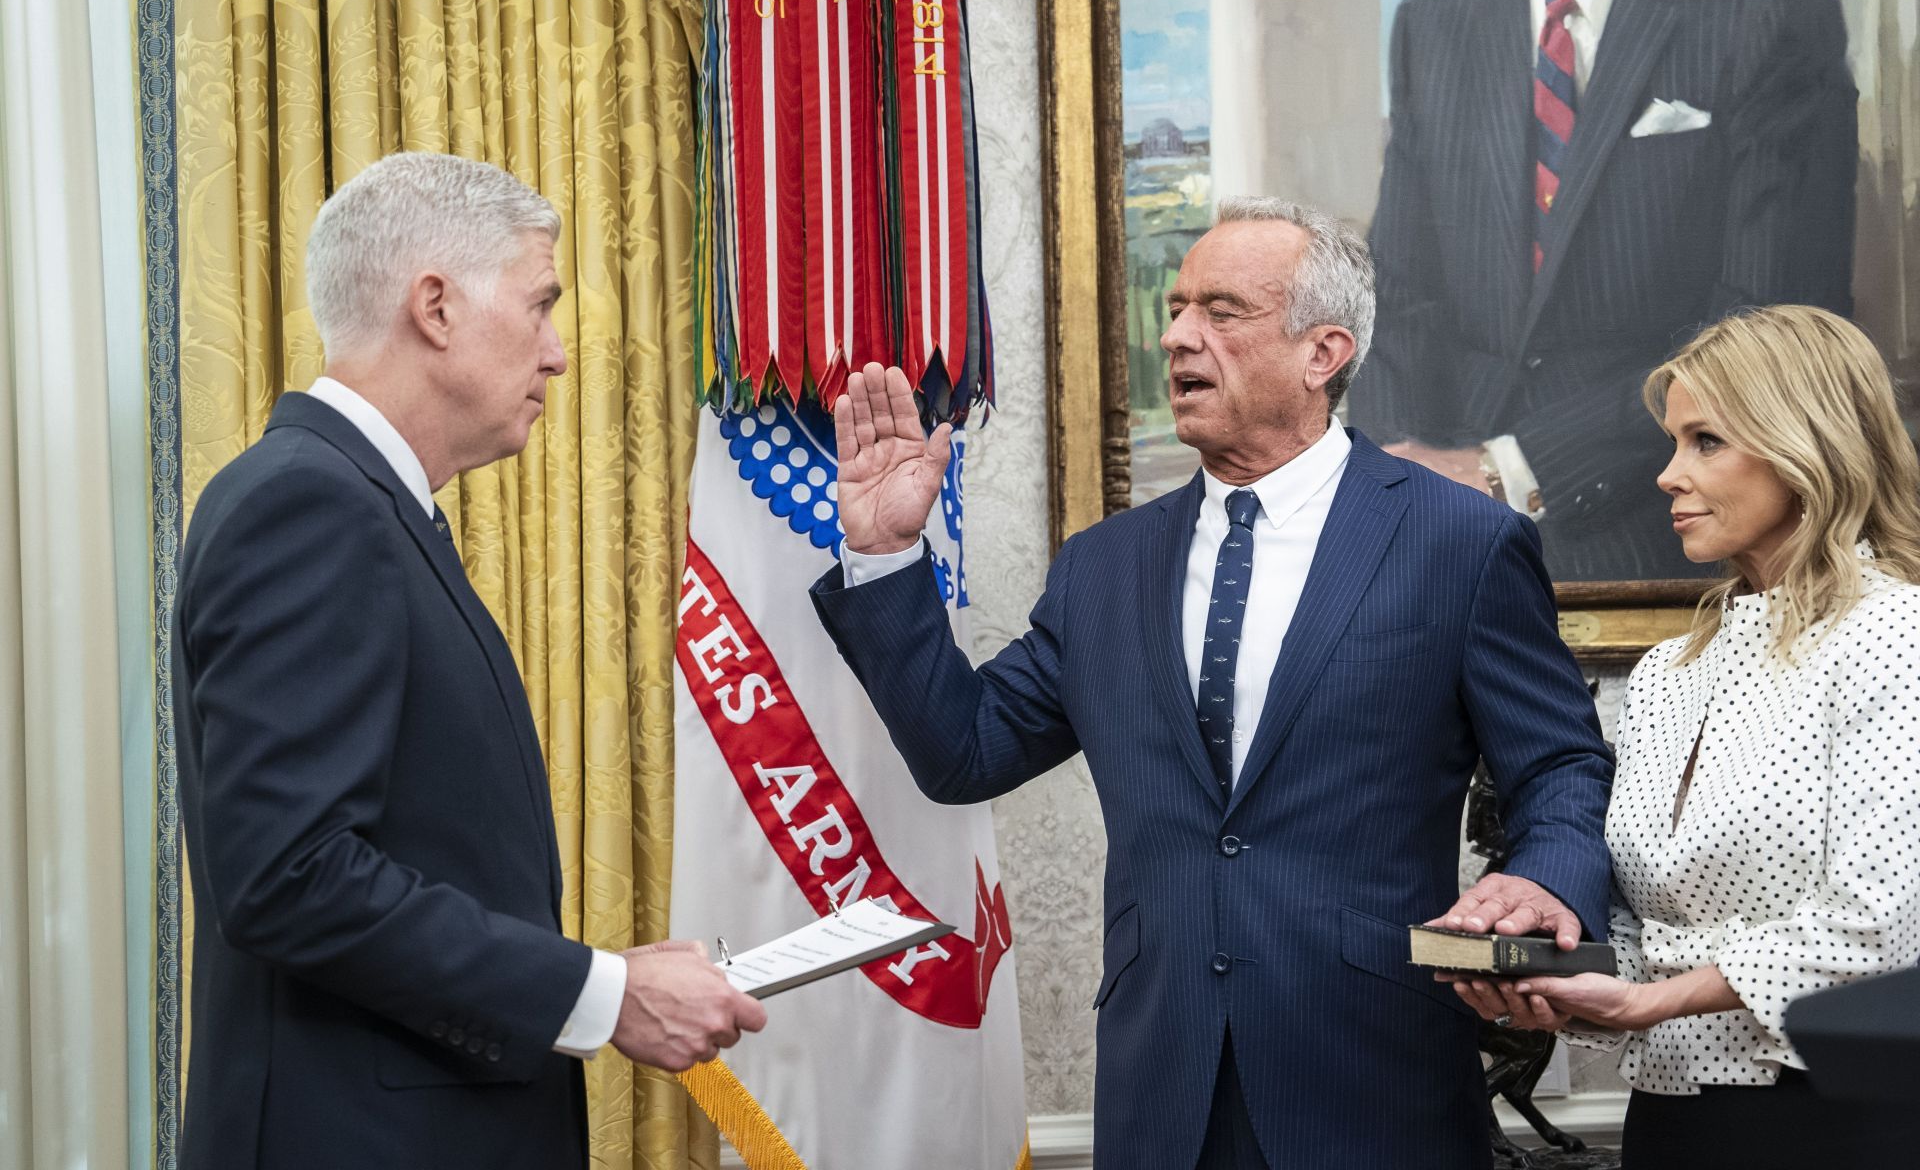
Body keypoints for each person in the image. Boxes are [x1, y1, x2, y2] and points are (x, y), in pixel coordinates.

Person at [812, 198, 1615, 1169]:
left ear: (1324, 352)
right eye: (1178, 306)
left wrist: (1541, 876)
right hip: (1164, 1086)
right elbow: (964, 749)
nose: (1178, 333)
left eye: (1222, 310)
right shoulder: (1104, 566)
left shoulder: (1460, 541)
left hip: (1376, 1075)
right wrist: (887, 554)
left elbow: (1563, 764)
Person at [173, 153, 765, 1170]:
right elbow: (290, 874)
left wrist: (605, 972)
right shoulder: (310, 506)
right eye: (539, 304)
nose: (558, 352)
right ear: (436, 307)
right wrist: (605, 994)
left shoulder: (362, 504)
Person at [1450, 306, 1920, 1166]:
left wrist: (1652, 1000)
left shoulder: (1898, 634)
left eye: (1705, 441)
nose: (1667, 475)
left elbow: (1881, 929)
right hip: (1673, 1123)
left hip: (1855, 1122)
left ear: (1804, 445)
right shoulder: (1670, 671)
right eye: (1672, 442)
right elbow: (1642, 920)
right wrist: (1560, 981)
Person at [1352, 0, 1856, 581]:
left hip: (1660, 519)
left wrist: (1512, 470)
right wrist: (1397, 473)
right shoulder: (1433, 22)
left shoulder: (1770, 1)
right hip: (1441, 531)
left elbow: (1766, 318)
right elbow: (1397, 290)